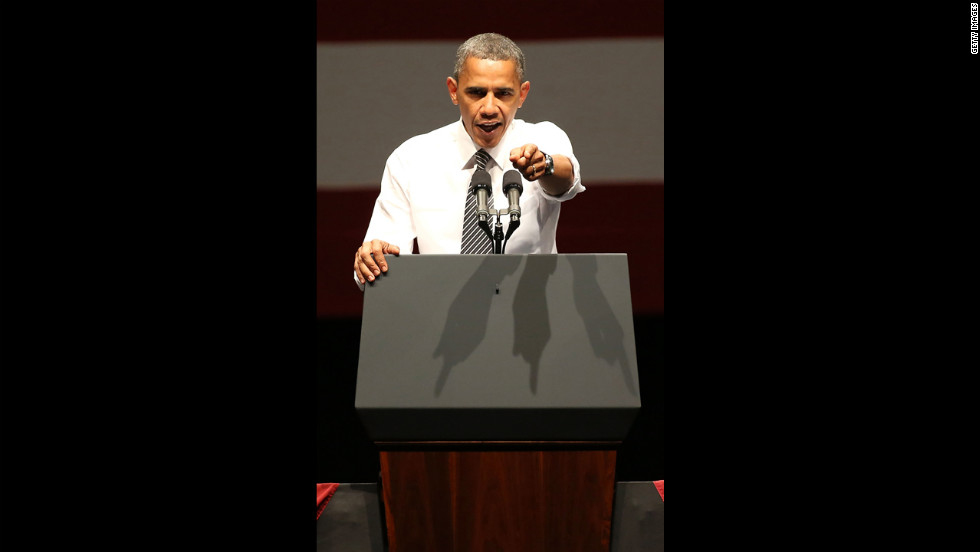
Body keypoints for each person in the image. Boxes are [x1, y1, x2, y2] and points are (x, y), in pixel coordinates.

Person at [353, 32, 585, 287]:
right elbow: (384, 261)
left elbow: (566, 182)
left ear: (522, 94)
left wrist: (545, 165)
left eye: (503, 94)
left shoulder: (543, 137)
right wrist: (373, 259)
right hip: (438, 316)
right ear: (454, 91)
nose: (488, 108)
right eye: (476, 92)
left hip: (528, 315)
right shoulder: (411, 158)